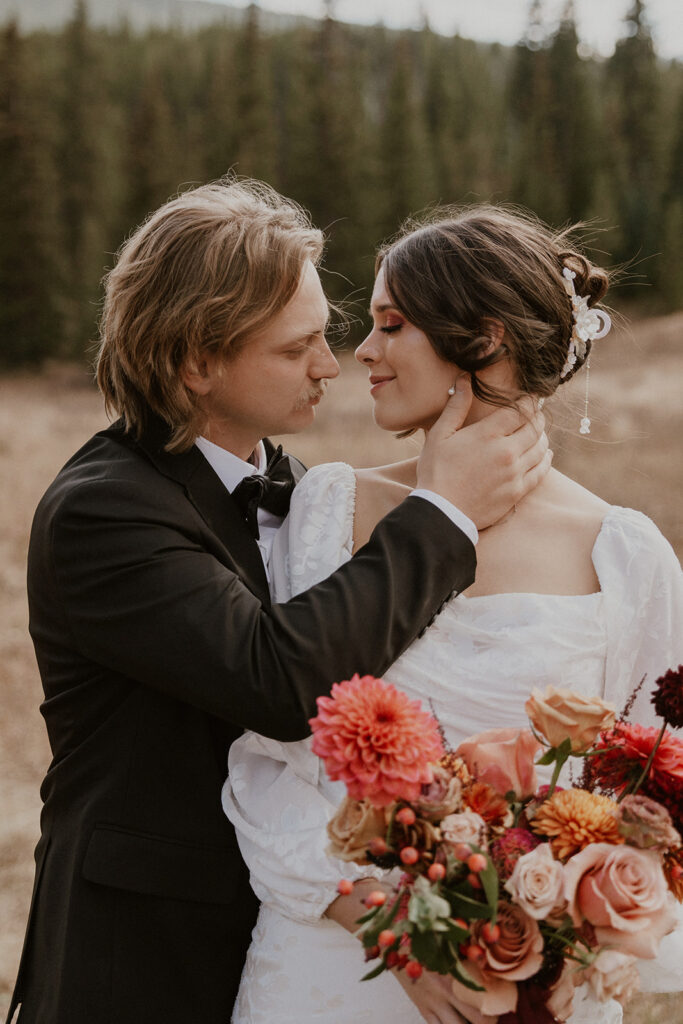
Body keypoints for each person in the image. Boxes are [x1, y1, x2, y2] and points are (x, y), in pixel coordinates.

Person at [6, 183, 550, 1024]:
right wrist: (442, 515)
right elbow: (279, 678)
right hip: (148, 959)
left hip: (299, 948)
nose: (331, 366)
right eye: (297, 349)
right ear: (197, 361)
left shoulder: (294, 489)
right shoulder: (103, 510)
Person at [222, 205, 683, 1024]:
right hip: (334, 969)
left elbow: (660, 795)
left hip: (534, 985)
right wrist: (385, 923)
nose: (360, 351)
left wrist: (574, 935)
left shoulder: (625, 555)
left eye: (391, 323)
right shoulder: (328, 507)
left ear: (486, 337)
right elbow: (264, 758)